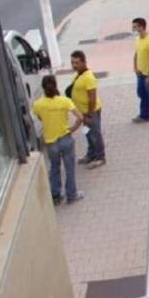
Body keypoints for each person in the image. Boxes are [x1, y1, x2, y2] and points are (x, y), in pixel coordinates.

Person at [32, 75, 83, 204]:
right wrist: (73, 128)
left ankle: (55, 195)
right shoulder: (64, 101)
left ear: (43, 88)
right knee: (69, 167)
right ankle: (72, 194)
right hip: (65, 137)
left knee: (54, 168)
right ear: (56, 85)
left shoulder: (38, 104)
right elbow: (80, 117)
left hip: (50, 141)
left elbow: (39, 117)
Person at [69, 50, 105, 168]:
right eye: (73, 63)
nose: (74, 65)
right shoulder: (79, 74)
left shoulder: (88, 77)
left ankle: (100, 157)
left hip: (90, 112)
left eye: (77, 63)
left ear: (84, 62)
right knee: (88, 134)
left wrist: (89, 114)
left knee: (95, 134)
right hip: (83, 112)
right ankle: (91, 154)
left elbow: (92, 98)